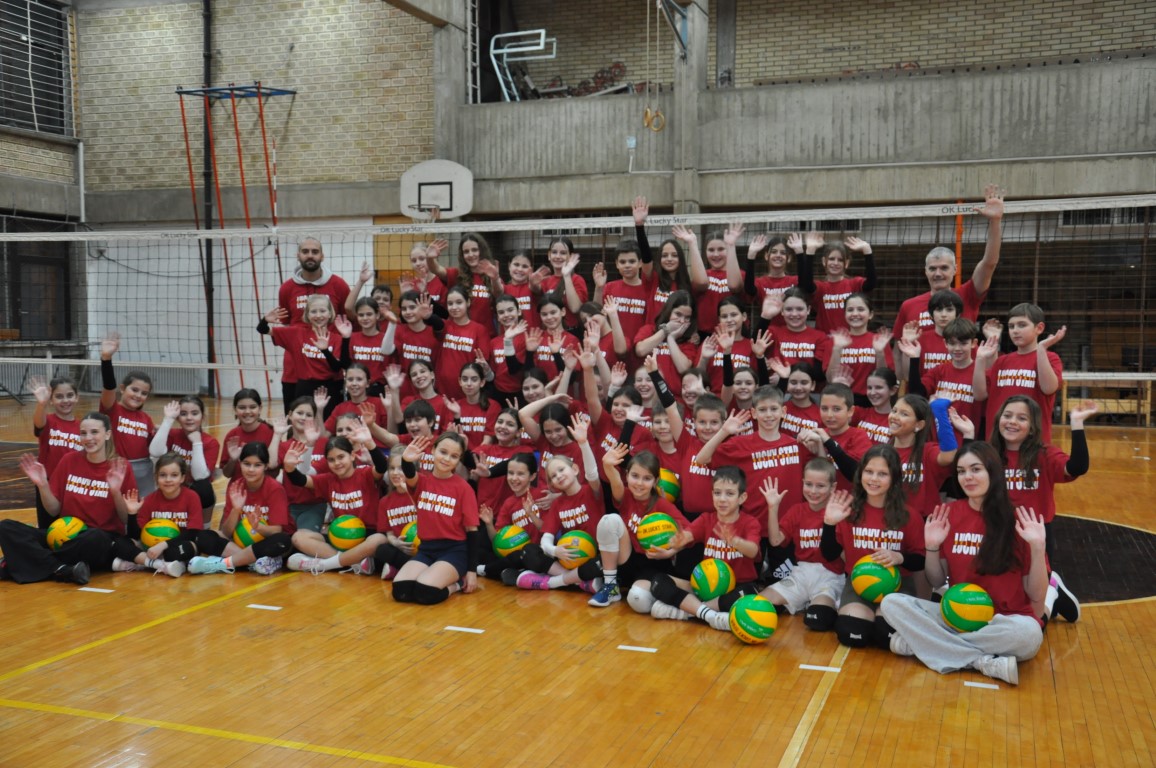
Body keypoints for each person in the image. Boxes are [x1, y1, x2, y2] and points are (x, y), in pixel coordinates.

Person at [879, 443, 1049, 686]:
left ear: (993, 472)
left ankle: (927, 646)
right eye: (961, 471)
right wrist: (932, 546)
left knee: (1029, 635)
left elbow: (1036, 594)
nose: (967, 477)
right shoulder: (948, 513)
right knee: (891, 603)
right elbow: (937, 580)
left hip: (1002, 621)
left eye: (975, 469)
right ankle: (981, 662)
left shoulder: (1019, 519)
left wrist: (1038, 548)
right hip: (956, 617)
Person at [990, 396, 1094, 622]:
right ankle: (1053, 590)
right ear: (998, 419)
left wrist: (1076, 423)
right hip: (999, 532)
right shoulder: (989, 455)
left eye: (1021, 418)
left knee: (1032, 617)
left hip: (1035, 536)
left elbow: (1077, 466)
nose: (1012, 421)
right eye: (1007, 415)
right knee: (1007, 599)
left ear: (1032, 427)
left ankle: (1051, 590)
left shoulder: (1044, 454)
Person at [4, 412, 140, 584]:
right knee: (6, 527)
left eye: (94, 432)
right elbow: (53, 509)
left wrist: (115, 492)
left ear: (107, 434)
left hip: (97, 539)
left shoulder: (120, 466)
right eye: (83, 433)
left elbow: (125, 518)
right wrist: (43, 485)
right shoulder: (69, 460)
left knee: (95, 537)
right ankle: (61, 569)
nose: (88, 438)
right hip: (63, 536)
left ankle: (26, 561)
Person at [819, 444, 926, 648]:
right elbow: (829, 554)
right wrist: (829, 524)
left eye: (882, 474)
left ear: (894, 478)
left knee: (885, 636)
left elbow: (920, 560)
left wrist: (899, 557)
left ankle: (886, 620)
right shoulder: (848, 511)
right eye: (869, 471)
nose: (874, 479)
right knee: (851, 633)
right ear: (860, 473)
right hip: (859, 584)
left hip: (898, 586)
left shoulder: (909, 515)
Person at [648, 466, 762, 630]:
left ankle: (688, 612)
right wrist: (673, 544)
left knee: (750, 593)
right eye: (717, 493)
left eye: (729, 494)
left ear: (742, 497)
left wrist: (734, 540)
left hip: (736, 586)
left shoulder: (750, 523)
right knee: (659, 581)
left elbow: (753, 551)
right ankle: (709, 615)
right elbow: (686, 536)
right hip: (705, 587)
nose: (722, 499)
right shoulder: (706, 519)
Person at [891, 185, 1004, 337]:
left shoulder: (968, 295)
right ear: (925, 271)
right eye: (932, 269)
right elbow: (899, 346)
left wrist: (995, 221)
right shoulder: (909, 306)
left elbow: (989, 263)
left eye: (944, 268)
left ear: (955, 269)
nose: (938, 273)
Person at [513, 415, 604, 593]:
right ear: (552, 484)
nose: (559, 476)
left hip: (592, 555)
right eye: (553, 476)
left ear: (575, 469)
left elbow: (592, 473)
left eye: (561, 470)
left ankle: (553, 582)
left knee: (604, 562)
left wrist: (583, 443)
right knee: (530, 551)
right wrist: (556, 551)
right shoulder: (557, 503)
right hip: (567, 559)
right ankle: (580, 582)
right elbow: (546, 539)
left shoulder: (591, 491)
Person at [590, 446, 690, 608]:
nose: (639, 483)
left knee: (638, 601)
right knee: (609, 520)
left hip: (653, 564)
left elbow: (690, 533)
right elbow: (615, 481)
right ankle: (610, 586)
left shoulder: (662, 505)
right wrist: (607, 465)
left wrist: (670, 552)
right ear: (627, 475)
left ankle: (673, 597)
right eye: (635, 476)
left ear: (655, 481)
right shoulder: (626, 495)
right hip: (627, 560)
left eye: (647, 478)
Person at [391, 433, 481, 604]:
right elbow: (409, 474)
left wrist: (472, 571)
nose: (447, 459)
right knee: (400, 591)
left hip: (454, 551)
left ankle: (457, 584)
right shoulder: (422, 482)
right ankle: (435, 575)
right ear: (433, 450)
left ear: (459, 460)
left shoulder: (464, 488)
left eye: (454, 456)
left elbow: (472, 531)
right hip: (427, 550)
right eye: (443, 452)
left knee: (425, 592)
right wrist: (406, 460)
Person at [284, 430, 388, 575]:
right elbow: (300, 480)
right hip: (339, 538)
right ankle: (354, 563)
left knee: (379, 539)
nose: (337, 463)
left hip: (366, 537)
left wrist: (370, 443)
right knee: (298, 537)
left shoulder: (365, 474)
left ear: (352, 456)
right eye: (331, 460)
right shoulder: (328, 480)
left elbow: (382, 466)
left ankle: (324, 565)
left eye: (341, 457)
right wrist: (289, 468)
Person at [758, 460, 844, 631]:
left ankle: (825, 604)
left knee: (817, 618)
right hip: (801, 575)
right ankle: (797, 602)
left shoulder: (839, 513)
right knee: (757, 604)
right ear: (802, 482)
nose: (813, 491)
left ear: (833, 487)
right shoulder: (797, 511)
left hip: (830, 577)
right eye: (809, 484)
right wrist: (773, 507)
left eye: (820, 486)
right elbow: (775, 541)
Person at [187, 442, 293, 576]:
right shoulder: (236, 487)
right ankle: (253, 562)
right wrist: (236, 510)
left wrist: (258, 527)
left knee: (283, 540)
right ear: (240, 463)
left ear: (266, 466)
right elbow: (226, 533)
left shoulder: (275, 489)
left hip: (267, 543)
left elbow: (276, 531)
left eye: (257, 465)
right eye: (246, 464)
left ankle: (223, 564)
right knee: (203, 536)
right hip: (242, 544)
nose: (251, 469)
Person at [974, 302, 1065, 443]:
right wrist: (980, 359)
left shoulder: (1050, 358)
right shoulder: (1002, 361)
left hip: (1033, 442)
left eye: (1022, 325)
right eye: (1011, 326)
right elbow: (979, 395)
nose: (1015, 330)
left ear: (1039, 328)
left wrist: (1041, 349)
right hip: (998, 441)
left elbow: (1049, 388)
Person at [277, 237, 352, 408]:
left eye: (315, 252)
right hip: (296, 368)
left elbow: (345, 320)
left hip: (329, 367)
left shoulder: (338, 285)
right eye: (305, 251)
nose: (310, 255)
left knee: (330, 416)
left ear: (322, 256)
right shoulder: (287, 288)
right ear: (298, 255)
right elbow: (286, 323)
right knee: (294, 416)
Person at [98, 331, 156, 522]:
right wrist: (106, 359)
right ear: (122, 388)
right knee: (116, 513)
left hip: (144, 471)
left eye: (144, 393)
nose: (138, 395)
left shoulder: (146, 419)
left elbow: (155, 447)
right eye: (134, 390)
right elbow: (108, 388)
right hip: (118, 468)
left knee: (142, 514)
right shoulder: (112, 410)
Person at [114, 453, 201, 577]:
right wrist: (132, 513)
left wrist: (163, 545)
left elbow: (193, 533)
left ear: (182, 478)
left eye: (174, 475)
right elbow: (135, 535)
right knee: (119, 542)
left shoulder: (192, 497)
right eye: (163, 475)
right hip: (151, 548)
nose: (168, 480)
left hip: (178, 545)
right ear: (156, 477)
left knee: (184, 548)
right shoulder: (150, 500)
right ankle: (159, 565)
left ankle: (142, 562)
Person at [261, 294, 346, 419]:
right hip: (305, 388)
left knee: (328, 426)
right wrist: (265, 320)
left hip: (329, 388)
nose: (318, 315)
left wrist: (325, 350)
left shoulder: (337, 339)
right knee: (303, 424)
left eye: (322, 311)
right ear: (307, 315)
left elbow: (336, 368)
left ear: (330, 314)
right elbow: (262, 329)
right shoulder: (297, 333)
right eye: (313, 311)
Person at [148, 396, 222, 515]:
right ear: (178, 418)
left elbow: (200, 476)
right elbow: (155, 452)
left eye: (194, 413)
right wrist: (168, 420)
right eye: (183, 414)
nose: (189, 418)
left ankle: (205, 525)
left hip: (196, 492)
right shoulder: (173, 435)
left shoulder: (210, 443)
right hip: (171, 487)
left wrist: (197, 443)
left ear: (202, 417)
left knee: (204, 488)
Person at [27, 375, 82, 528]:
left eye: (70, 395)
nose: (65, 400)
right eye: (59, 396)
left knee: (70, 526)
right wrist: (41, 404)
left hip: (72, 484)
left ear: (77, 397)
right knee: (47, 527)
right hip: (48, 482)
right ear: (51, 400)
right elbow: (39, 423)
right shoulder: (49, 421)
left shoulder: (82, 426)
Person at [268, 396, 328, 534]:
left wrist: (311, 443)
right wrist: (277, 434)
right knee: (281, 539)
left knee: (302, 539)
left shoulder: (323, 443)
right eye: (299, 413)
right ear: (290, 415)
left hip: (314, 504)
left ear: (314, 419)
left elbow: (307, 474)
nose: (303, 417)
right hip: (289, 504)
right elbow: (271, 463)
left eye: (308, 415)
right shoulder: (285, 446)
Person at [794, 234, 877, 333]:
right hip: (825, 339)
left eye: (840, 260)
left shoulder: (853, 284)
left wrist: (867, 250)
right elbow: (806, 286)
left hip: (850, 339)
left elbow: (871, 284)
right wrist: (810, 252)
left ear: (846, 263)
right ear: (824, 261)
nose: (836, 263)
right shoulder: (820, 287)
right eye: (831, 259)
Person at [826, 294, 892, 406]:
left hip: (872, 401)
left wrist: (879, 353)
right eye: (850, 310)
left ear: (870, 314)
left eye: (860, 309)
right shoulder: (835, 341)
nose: (855, 314)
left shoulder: (880, 341)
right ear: (845, 314)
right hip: (842, 401)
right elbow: (830, 379)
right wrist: (837, 349)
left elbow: (884, 379)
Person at [426, 233, 503, 326]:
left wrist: (495, 278)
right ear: (462, 255)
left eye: (474, 250)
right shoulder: (457, 274)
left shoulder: (491, 274)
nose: (471, 254)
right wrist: (430, 259)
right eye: (466, 252)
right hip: (460, 331)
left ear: (481, 251)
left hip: (486, 332)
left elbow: (499, 294)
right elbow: (436, 269)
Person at [435, 284, 493, 400]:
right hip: (442, 390)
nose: (454, 307)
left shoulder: (479, 330)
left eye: (459, 302)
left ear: (468, 302)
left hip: (468, 391)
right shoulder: (443, 326)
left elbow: (481, 364)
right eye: (450, 303)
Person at [696, 225, 745, 334]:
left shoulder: (740, 274)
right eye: (711, 250)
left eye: (721, 249)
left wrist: (731, 245)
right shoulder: (702, 276)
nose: (716, 254)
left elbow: (735, 286)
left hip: (734, 333)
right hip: (706, 334)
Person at [744, 234, 797, 328]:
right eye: (774, 252)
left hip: (791, 331)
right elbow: (749, 289)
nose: (778, 255)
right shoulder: (760, 282)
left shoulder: (795, 281)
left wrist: (800, 252)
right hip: (767, 331)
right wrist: (751, 255)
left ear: (789, 258)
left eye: (783, 253)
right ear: (766, 256)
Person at [220, 389, 275, 479]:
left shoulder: (271, 433)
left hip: (264, 486)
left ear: (260, 408)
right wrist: (233, 460)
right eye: (242, 408)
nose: (247, 411)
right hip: (237, 487)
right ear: (235, 409)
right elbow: (227, 474)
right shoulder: (232, 435)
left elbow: (276, 470)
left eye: (252, 407)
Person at [852, 368, 899, 445]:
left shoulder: (898, 420)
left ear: (893, 390)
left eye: (878, 387)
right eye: (869, 388)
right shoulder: (858, 413)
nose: (872, 392)